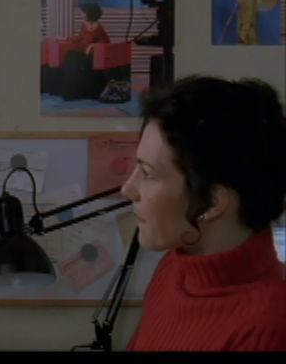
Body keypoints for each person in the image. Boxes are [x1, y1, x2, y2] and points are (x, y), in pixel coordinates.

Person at [121, 75, 286, 351]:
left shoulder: (267, 330)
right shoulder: (175, 268)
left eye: (148, 173)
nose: (127, 189)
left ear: (211, 203)